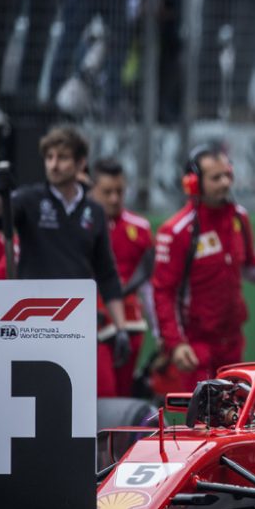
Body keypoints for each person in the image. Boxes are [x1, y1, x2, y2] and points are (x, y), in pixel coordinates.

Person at [0, 126, 130, 396]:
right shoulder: (30, 200)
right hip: (34, 320)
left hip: (77, 320)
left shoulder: (94, 211)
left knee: (80, 396)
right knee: (34, 394)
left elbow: (107, 273)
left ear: (80, 163)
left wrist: (121, 328)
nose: (54, 164)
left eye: (63, 157)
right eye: (49, 157)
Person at [151, 145, 255, 391]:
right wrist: (176, 344)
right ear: (193, 183)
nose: (225, 183)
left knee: (234, 419)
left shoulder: (239, 217)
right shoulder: (176, 231)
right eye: (216, 177)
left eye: (228, 175)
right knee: (199, 423)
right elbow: (163, 293)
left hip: (232, 343)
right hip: (195, 347)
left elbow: (250, 266)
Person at [90, 158, 154, 397]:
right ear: (92, 190)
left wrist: (160, 335)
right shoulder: (81, 225)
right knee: (104, 395)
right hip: (95, 326)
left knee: (124, 397)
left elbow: (150, 285)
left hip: (132, 324)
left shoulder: (140, 227)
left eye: (119, 191)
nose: (114, 198)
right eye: (107, 192)